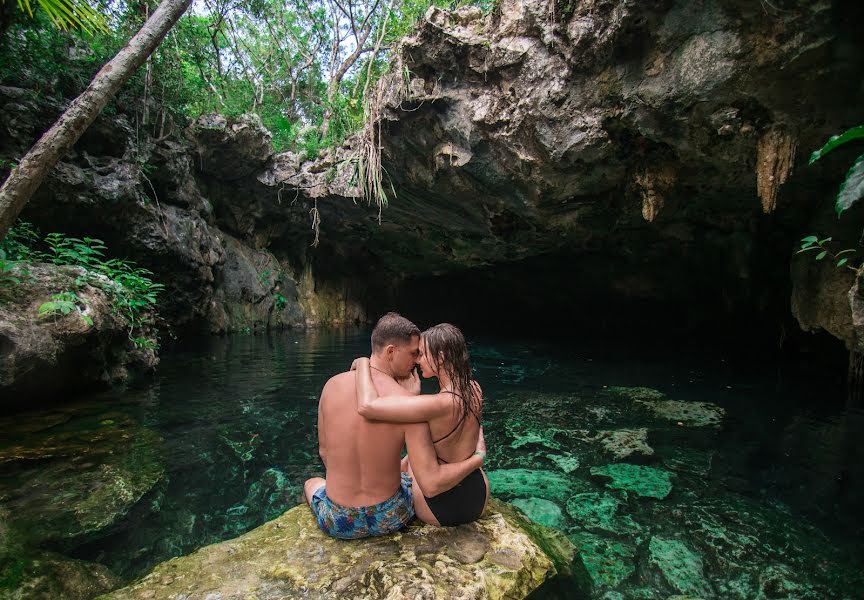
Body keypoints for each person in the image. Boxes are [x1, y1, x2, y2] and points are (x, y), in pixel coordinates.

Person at [303, 313, 484, 540]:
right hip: (389, 517)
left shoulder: (330, 386)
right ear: (391, 352)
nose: (416, 361)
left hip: (339, 522)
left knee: (313, 483)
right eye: (413, 353)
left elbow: (325, 452)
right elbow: (425, 472)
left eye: (420, 354)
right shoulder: (410, 404)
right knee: (409, 475)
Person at [353, 322, 489, 527]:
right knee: (407, 463)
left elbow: (367, 406)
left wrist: (363, 363)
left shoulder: (439, 404)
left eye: (423, 354)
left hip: (441, 508)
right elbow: (450, 440)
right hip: (478, 497)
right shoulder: (474, 388)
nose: (417, 360)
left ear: (441, 357)